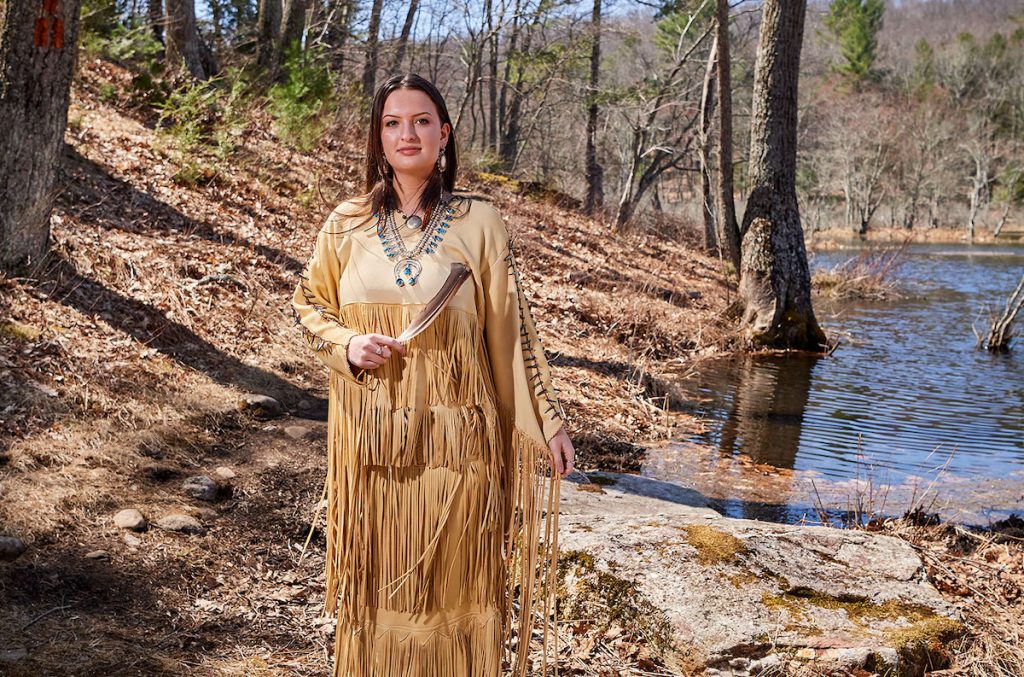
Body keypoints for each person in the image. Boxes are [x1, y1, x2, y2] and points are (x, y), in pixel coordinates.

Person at [290, 72, 575, 676]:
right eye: (392, 123)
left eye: (421, 121)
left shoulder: (480, 222)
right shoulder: (345, 224)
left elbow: (513, 332)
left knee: (458, 585)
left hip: (458, 447)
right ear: (378, 138)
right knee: (378, 587)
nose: (406, 133)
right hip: (373, 448)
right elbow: (308, 306)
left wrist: (546, 422)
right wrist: (347, 343)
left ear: (443, 135)